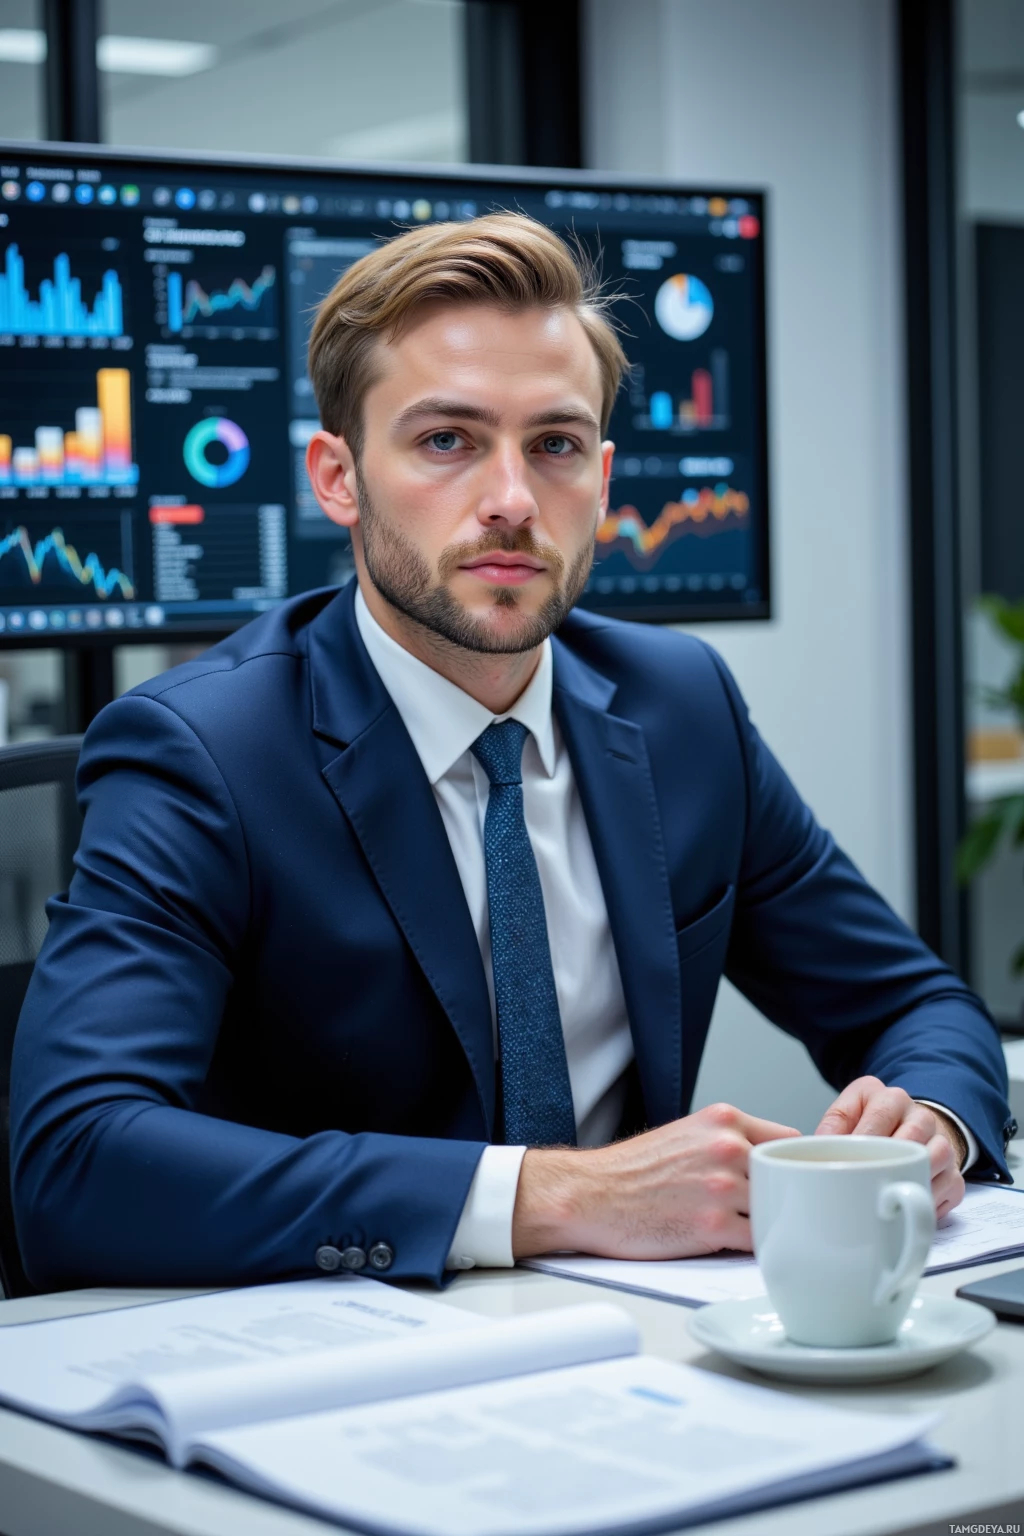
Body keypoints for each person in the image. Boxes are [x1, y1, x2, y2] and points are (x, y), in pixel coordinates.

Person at [10, 214, 1013, 1291]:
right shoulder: (203, 752)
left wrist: (931, 1119)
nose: (511, 501)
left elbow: (917, 1006)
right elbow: (76, 1161)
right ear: (337, 478)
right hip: (337, 1359)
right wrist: (553, 1197)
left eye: (555, 444)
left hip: (642, 1342)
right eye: (446, 441)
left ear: (603, 475)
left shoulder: (681, 709)